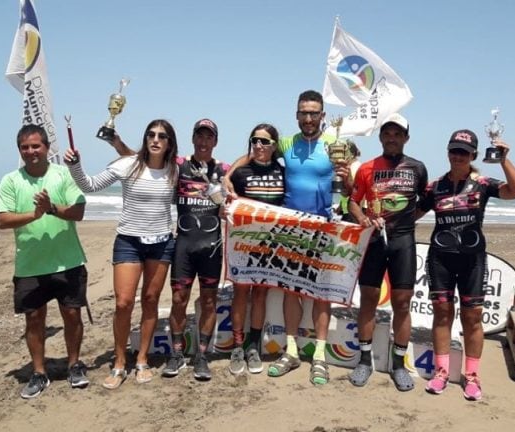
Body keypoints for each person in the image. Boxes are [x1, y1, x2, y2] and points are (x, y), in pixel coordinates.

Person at [223, 90, 350, 386]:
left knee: (321, 294)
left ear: (322, 116)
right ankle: (291, 350)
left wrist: (347, 179)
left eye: (314, 112)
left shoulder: (336, 143)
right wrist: (229, 175)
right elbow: (256, 151)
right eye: (304, 112)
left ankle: (319, 356)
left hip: (324, 229)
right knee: (292, 290)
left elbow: (348, 186)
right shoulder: (285, 143)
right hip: (291, 229)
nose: (309, 118)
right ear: (297, 115)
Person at [111, 119, 228, 381]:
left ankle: (201, 356)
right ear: (192, 139)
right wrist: (117, 143)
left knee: (209, 301)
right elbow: (141, 158)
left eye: (209, 137)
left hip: (211, 246)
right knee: (178, 300)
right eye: (199, 136)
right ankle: (176, 354)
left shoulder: (224, 169)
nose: (203, 141)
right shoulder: (177, 166)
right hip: (183, 245)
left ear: (215, 141)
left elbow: (236, 197)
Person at [65, 119, 178, 389]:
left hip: (162, 243)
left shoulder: (176, 171)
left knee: (150, 300)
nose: (155, 139)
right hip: (129, 241)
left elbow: (196, 192)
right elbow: (90, 186)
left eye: (162, 136)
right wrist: (75, 165)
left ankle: (141, 360)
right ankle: (119, 362)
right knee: (123, 303)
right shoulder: (127, 164)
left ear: (169, 143)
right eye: (150, 134)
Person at [417, 129, 515, 401]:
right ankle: (441, 372)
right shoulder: (435, 186)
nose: (458, 156)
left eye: (463, 152)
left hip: (472, 260)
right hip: (440, 257)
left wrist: (503, 159)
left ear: (474, 155)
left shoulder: (483, 183)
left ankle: (472, 376)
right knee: (442, 314)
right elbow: (412, 213)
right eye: (454, 150)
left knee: (472, 318)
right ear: (448, 152)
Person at [0, 124, 89, 399]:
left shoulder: (63, 175)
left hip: (67, 261)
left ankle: (74, 364)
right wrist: (34, 215)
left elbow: (78, 211)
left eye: (36, 146)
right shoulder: (11, 180)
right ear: (19, 150)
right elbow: (2, 220)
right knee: (34, 320)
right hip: (30, 265)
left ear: (47, 148)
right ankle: (39, 372)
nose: (31, 151)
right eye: (25, 147)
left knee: (72, 316)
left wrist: (51, 209)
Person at [347, 114, 428, 390]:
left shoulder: (417, 168)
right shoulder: (367, 168)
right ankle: (364, 360)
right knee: (368, 298)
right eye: (387, 133)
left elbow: (424, 202)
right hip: (373, 242)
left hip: (403, 241)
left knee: (402, 303)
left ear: (406, 137)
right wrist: (363, 219)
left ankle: (398, 365)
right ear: (381, 137)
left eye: (398, 134)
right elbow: (353, 203)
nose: (392, 138)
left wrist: (403, 224)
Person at [226, 123, 285, 375]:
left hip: (271, 244)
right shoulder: (241, 173)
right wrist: (227, 176)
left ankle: (253, 345)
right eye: (254, 141)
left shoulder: (284, 171)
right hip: (243, 242)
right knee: (241, 293)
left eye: (265, 141)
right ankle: (238, 346)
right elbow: (229, 207)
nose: (259, 146)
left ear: (274, 145)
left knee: (260, 295)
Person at [338, 141, 361, 222]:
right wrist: (340, 207)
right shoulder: (353, 166)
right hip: (346, 210)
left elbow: (351, 192)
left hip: (352, 212)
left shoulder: (354, 168)